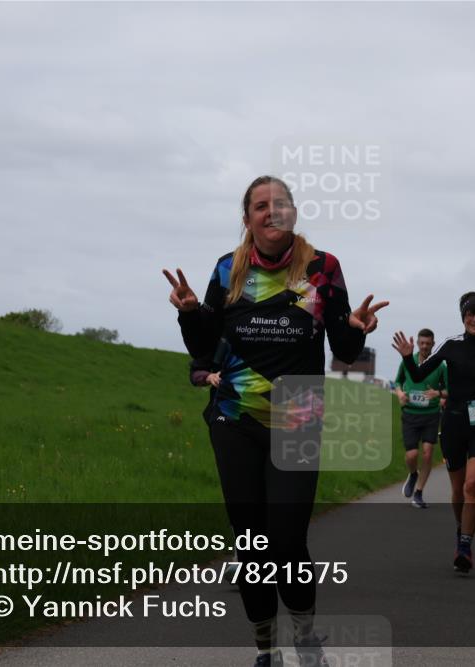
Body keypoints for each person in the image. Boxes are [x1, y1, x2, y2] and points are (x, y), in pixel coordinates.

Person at [164, 175, 388, 667]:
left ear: (293, 213)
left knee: (287, 542)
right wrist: (189, 313)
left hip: (298, 417)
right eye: (261, 205)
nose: (272, 212)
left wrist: (356, 329)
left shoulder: (322, 268)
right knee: (252, 544)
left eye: (280, 203)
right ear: (247, 219)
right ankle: (266, 650)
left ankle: (306, 637)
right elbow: (204, 346)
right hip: (235, 419)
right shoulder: (228, 269)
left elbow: (343, 348)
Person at [392, 291, 475, 573]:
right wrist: (408, 358)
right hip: (454, 424)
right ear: (463, 318)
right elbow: (419, 375)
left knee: (472, 485)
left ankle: (465, 547)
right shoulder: (450, 345)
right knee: (458, 489)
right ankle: (462, 530)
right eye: (470, 314)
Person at [394, 328, 447, 509]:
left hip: (431, 414)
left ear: (433, 344)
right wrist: (400, 393)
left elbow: (448, 389)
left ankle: (419, 493)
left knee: (427, 452)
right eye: (422, 343)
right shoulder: (407, 361)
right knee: (412, 455)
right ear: (417, 343)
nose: (424, 346)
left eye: (428, 343)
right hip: (410, 413)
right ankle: (413, 474)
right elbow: (398, 381)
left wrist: (438, 393)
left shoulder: (440, 366)